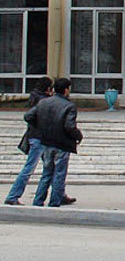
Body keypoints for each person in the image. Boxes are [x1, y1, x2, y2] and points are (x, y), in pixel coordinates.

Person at [26, 78, 83, 207]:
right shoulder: (69, 106)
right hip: (62, 144)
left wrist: (40, 126)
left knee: (46, 173)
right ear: (66, 90)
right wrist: (78, 136)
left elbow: (28, 116)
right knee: (59, 174)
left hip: (46, 142)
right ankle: (54, 203)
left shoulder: (43, 102)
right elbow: (69, 126)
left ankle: (38, 201)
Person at [4, 77, 56, 205]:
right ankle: (13, 196)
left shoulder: (36, 98)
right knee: (30, 168)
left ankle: (60, 193)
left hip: (38, 137)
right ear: (48, 88)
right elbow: (30, 117)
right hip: (40, 138)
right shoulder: (44, 101)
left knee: (52, 166)